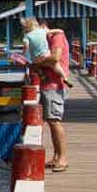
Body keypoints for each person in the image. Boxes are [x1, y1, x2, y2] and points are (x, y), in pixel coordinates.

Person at [30, 18, 70, 171]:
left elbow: (55, 58)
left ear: (43, 26)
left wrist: (38, 61)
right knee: (51, 121)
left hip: (55, 85)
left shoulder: (56, 37)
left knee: (55, 121)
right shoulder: (45, 40)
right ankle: (56, 157)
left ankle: (63, 158)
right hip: (47, 85)